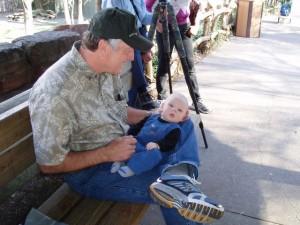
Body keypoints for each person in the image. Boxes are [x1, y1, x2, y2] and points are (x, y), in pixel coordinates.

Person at [29, 8, 223, 225]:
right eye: (127, 50)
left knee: (182, 123)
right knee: (169, 193)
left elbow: (118, 110)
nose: (132, 56)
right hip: (93, 172)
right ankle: (176, 185)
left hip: (129, 146)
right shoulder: (55, 92)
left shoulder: (103, 66)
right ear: (103, 47)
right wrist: (107, 153)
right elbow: (48, 164)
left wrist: (155, 115)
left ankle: (177, 177)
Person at [146, 0, 212, 114]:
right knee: (163, 64)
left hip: (184, 28)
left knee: (189, 65)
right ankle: (162, 100)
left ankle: (197, 100)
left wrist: (195, 23)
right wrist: (157, 24)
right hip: (165, 27)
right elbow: (147, 6)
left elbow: (201, 4)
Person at [111, 92, 189, 177]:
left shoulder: (175, 129)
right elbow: (138, 126)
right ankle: (120, 161)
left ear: (183, 118)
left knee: (156, 155)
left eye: (179, 110)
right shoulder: (151, 117)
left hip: (150, 150)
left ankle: (132, 168)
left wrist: (157, 145)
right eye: (171, 105)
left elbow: (169, 143)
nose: (174, 110)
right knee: (126, 142)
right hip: (137, 141)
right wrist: (130, 134)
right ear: (162, 106)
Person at [102, 0, 157, 110]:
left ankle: (139, 104)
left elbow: (143, 17)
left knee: (135, 71)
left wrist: (157, 15)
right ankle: (142, 93)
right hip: (124, 36)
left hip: (138, 32)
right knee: (131, 68)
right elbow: (117, 24)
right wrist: (142, 49)